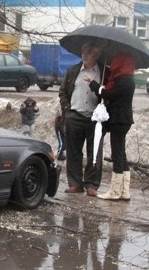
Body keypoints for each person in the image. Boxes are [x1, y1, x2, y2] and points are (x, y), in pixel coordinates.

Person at [86, 51, 135, 201]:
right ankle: (125, 191)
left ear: (121, 64)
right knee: (122, 153)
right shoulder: (127, 79)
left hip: (119, 120)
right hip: (123, 120)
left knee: (117, 154)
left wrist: (93, 84)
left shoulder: (124, 81)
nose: (113, 65)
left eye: (115, 62)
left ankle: (114, 191)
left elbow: (109, 95)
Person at [58, 42, 105, 196]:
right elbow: (63, 91)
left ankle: (91, 185)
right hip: (75, 116)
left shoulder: (104, 73)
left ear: (96, 55)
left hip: (95, 118)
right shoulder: (73, 71)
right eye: (83, 51)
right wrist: (67, 108)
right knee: (73, 152)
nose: (84, 54)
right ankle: (75, 183)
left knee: (95, 153)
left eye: (89, 51)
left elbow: (107, 95)